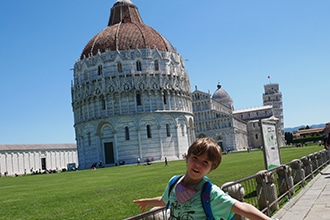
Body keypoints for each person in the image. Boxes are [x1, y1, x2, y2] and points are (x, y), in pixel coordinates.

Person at [133, 137, 274, 220]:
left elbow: (241, 207)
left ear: (211, 168)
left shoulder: (210, 193)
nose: (198, 165)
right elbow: (165, 200)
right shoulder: (174, 182)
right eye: (195, 158)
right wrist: (147, 202)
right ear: (187, 158)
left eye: (205, 162)